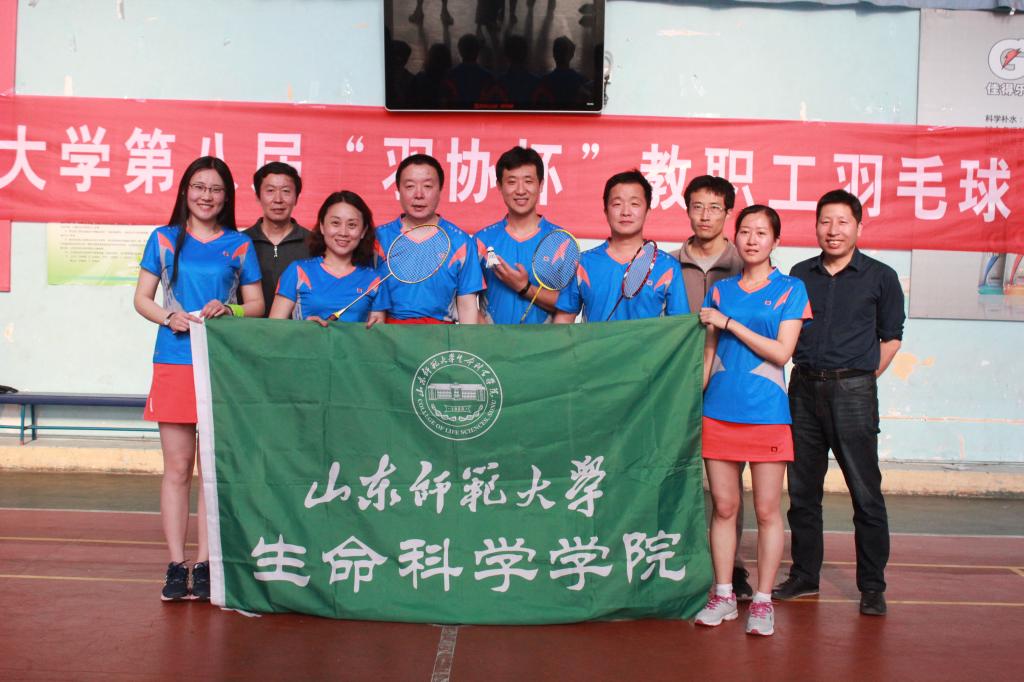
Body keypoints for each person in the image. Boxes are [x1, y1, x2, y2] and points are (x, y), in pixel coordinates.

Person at [133, 156, 264, 601]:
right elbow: (141, 298)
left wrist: (231, 309)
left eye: (216, 189)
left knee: (210, 470)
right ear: (185, 191)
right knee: (176, 469)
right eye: (199, 187)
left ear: (227, 197)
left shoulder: (239, 244)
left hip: (219, 364)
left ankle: (207, 564)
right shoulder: (164, 239)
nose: (206, 196)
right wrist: (167, 317)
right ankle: (176, 564)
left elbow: (257, 305)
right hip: (173, 360)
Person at [773, 189, 905, 617]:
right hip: (803, 390)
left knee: (865, 494)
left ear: (858, 227)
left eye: (842, 222)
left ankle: (873, 586)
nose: (833, 230)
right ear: (816, 226)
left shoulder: (881, 277)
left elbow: (892, 337)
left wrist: (860, 378)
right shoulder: (799, 274)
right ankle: (804, 576)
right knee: (802, 493)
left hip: (853, 393)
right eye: (825, 221)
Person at [693, 205, 811, 637]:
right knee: (724, 508)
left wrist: (730, 323)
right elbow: (709, 353)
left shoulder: (791, 289)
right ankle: (724, 595)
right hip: (719, 413)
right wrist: (694, 397)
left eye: (762, 233)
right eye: (745, 231)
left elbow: (782, 352)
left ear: (775, 241)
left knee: (766, 511)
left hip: (766, 414)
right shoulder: (721, 290)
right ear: (736, 237)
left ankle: (762, 601)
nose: (752, 239)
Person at [672, 175, 749, 599]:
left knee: (727, 487)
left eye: (715, 207)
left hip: (727, 387)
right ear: (687, 210)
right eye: (697, 206)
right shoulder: (667, 264)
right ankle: (674, 558)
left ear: (728, 213)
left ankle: (732, 568)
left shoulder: (746, 264)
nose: (705, 216)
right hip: (677, 386)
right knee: (672, 473)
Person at [553, 170, 688, 323]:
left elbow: (680, 326)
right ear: (606, 211)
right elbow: (563, 321)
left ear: (648, 211)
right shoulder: (582, 263)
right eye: (617, 204)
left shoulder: (668, 267)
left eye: (634, 204)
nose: (625, 212)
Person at [375, 153, 484, 324]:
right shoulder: (378, 239)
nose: (419, 194)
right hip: (388, 334)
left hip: (441, 335)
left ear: (440, 189)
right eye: (410, 186)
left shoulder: (461, 242)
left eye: (427, 186)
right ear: (398, 189)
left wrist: (467, 339)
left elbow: (467, 306)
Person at [268, 191, 388, 328]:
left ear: (363, 231)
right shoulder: (298, 271)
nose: (343, 232)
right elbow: (273, 329)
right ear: (322, 226)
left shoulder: (375, 280)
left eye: (352, 225)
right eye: (335, 223)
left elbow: (376, 333)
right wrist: (302, 328)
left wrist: (375, 329)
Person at [475, 146, 567, 324]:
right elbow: (466, 299)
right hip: (491, 339)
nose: (520, 190)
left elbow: (569, 303)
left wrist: (524, 287)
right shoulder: (481, 241)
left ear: (541, 185)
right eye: (511, 182)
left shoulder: (560, 240)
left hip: (544, 340)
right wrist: (486, 336)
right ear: (499, 186)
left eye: (528, 181)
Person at [245, 162, 306, 317]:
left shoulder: (314, 244)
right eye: (270, 191)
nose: (278, 199)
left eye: (286, 191)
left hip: (298, 331)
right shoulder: (240, 242)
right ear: (258, 196)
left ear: (296, 197)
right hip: (245, 329)